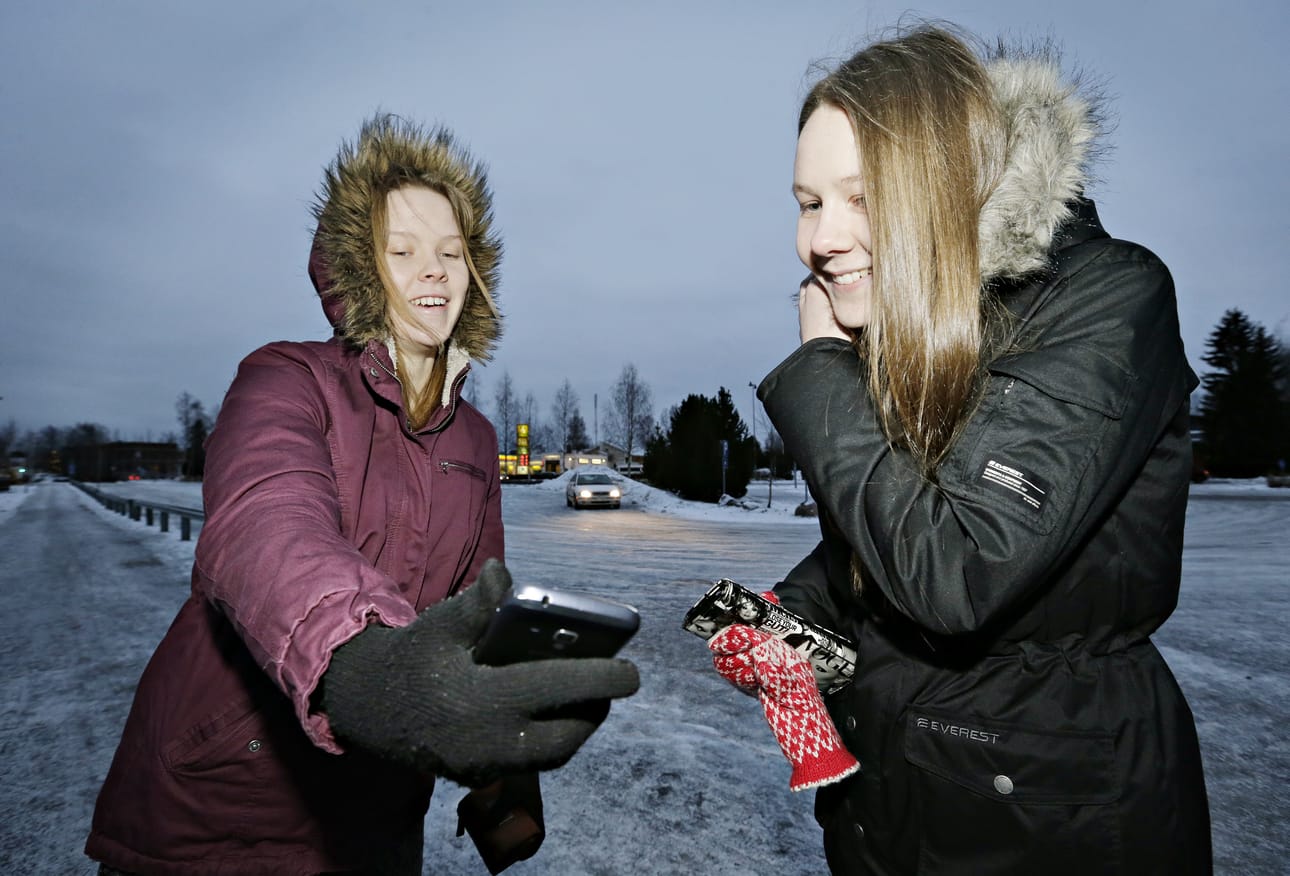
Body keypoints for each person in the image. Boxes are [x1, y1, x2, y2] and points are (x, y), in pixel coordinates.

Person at [708, 24, 1211, 874]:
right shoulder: (914, 322)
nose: (820, 239)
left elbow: (958, 567)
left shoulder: (1109, 296)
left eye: (860, 197)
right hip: (896, 803)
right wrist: (795, 614)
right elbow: (883, 535)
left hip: (1047, 813)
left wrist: (818, 370)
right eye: (808, 202)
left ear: (942, 184)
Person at [85, 114, 640, 875]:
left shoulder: (476, 439)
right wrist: (363, 665)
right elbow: (264, 523)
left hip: (377, 819)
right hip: (228, 805)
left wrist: (503, 746)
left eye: (452, 252)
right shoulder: (286, 378)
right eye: (403, 250)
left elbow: (475, 605)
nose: (435, 271)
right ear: (358, 269)